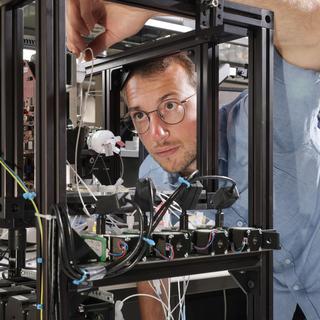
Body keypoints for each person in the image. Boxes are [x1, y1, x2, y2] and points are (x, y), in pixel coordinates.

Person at [67, 1, 320, 319]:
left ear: (208, 99)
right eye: (140, 115)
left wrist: (152, 4)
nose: (156, 133)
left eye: (170, 106)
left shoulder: (265, 123)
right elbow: (155, 262)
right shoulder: (155, 173)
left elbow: (314, 26)